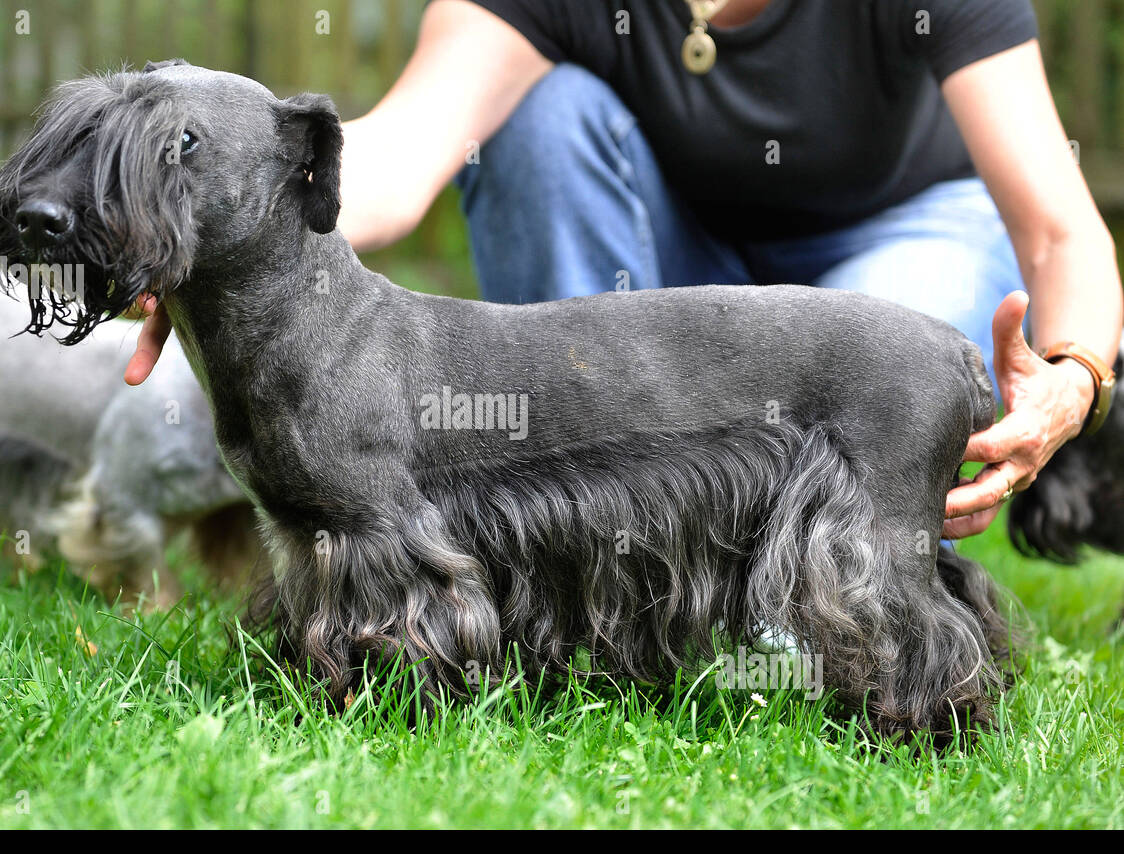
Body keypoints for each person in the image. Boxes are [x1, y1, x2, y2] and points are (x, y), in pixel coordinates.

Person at [124, 0, 1123, 539]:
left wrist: (1073, 375)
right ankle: (595, 530)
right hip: (680, 262)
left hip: (902, 237)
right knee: (540, 121)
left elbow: (1058, 230)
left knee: (872, 385)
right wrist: (216, 229)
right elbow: (385, 164)